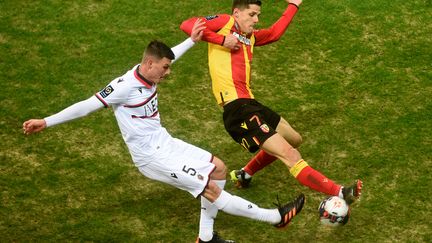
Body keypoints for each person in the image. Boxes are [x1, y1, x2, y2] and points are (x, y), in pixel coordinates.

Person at [22, 20, 305, 243]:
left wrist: (192, 41)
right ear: (149, 64)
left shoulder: (150, 70)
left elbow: (173, 57)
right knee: (208, 189)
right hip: (150, 157)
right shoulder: (123, 87)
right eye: (165, 69)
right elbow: (86, 106)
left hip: (165, 142)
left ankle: (206, 238)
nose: (168, 73)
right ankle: (274, 218)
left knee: (218, 168)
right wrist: (46, 121)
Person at [180, 0, 362, 204]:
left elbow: (274, 34)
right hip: (237, 109)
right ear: (237, 13)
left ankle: (245, 174)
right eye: (251, 14)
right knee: (290, 154)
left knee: (294, 139)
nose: (256, 20)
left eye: (258, 15)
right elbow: (188, 25)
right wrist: (222, 41)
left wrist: (293, 5)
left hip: (250, 103)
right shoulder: (225, 22)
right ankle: (341, 192)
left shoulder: (250, 37)